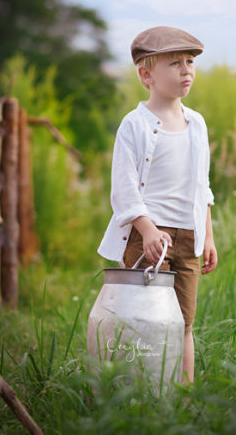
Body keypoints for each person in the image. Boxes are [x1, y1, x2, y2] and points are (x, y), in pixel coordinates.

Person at [97, 26, 218, 384]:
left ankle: (183, 394)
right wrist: (148, 230)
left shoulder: (197, 124)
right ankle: (138, 393)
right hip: (148, 237)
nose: (186, 70)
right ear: (146, 74)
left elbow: (202, 186)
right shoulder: (134, 125)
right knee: (142, 319)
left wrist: (207, 237)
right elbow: (124, 189)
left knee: (183, 321)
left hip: (188, 238)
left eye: (190, 62)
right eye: (175, 63)